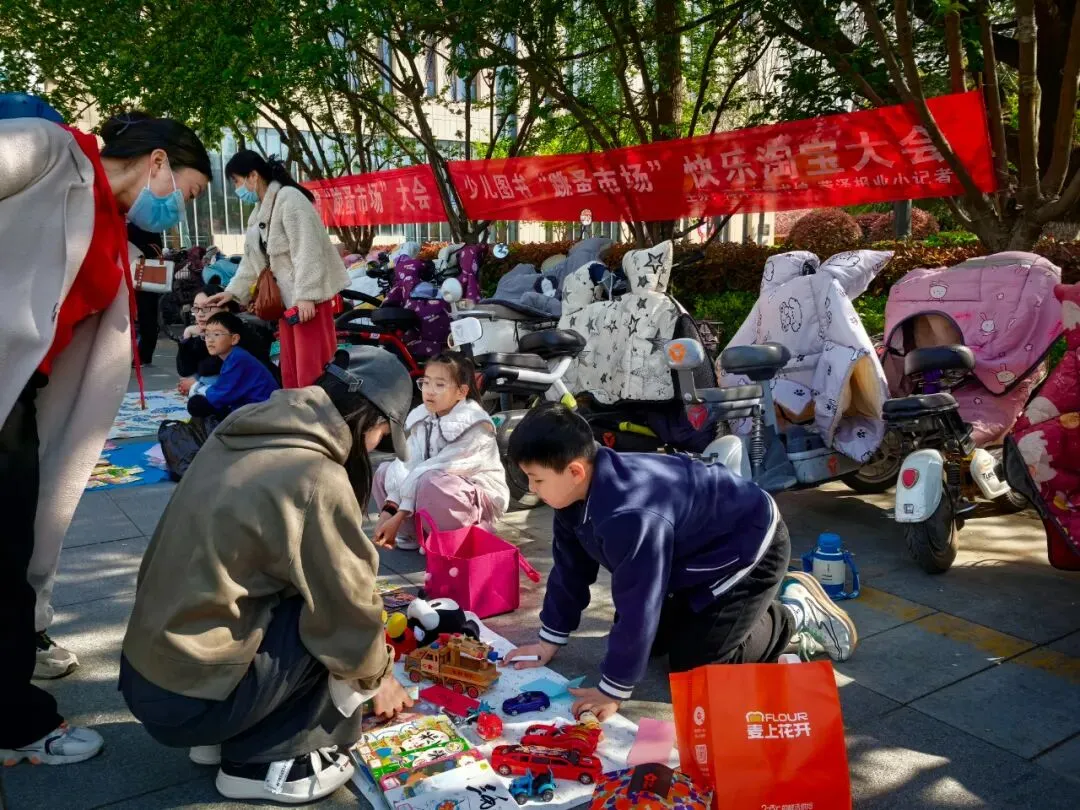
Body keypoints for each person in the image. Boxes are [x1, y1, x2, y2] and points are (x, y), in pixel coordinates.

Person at [0, 111, 211, 765]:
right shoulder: (47, 150)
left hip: (21, 399)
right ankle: (16, 724)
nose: (180, 207)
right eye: (189, 191)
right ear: (156, 162)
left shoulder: (115, 230)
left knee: (19, 540)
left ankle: (21, 661)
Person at [120, 348, 416, 804]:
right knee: (331, 617)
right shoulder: (314, 474)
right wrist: (380, 679)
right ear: (366, 419)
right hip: (193, 695)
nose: (375, 447)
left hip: (152, 673)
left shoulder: (245, 428)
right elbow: (347, 602)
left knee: (295, 591)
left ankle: (223, 733)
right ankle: (270, 762)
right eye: (380, 433)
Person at [501, 404, 858, 721]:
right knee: (652, 643)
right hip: (692, 552)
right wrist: (549, 641)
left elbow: (640, 600)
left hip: (746, 548)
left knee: (696, 667)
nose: (533, 489)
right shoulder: (573, 494)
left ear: (576, 470)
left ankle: (793, 614)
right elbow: (570, 570)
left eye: (537, 479)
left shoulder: (630, 513)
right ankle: (728, 615)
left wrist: (613, 690)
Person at [207, 150, 348, 388]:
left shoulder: (289, 199)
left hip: (305, 303)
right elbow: (253, 261)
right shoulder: (260, 212)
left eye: (237, 181)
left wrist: (307, 296)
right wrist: (232, 292)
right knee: (291, 366)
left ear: (253, 176)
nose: (237, 189)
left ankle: (316, 417)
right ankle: (297, 414)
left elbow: (308, 249)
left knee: (311, 368)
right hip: (285, 302)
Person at [371, 352, 509, 550]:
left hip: (476, 499)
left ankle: (462, 533)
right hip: (431, 486)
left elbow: (431, 469)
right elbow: (408, 464)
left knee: (430, 480)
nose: (430, 391)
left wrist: (398, 515)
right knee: (386, 471)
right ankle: (412, 533)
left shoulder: (476, 425)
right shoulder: (423, 418)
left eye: (440, 385)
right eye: (426, 383)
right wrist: (386, 513)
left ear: (461, 392)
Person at [186, 312, 279, 419]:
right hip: (255, 408)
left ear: (234, 339)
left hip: (261, 412)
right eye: (207, 335)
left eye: (216, 334)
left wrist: (194, 387)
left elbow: (218, 395)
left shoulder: (237, 358)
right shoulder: (235, 356)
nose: (210, 340)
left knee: (196, 404)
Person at [129, 223, 164, 365]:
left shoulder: (139, 225)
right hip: (144, 276)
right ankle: (143, 354)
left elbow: (155, 249)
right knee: (147, 315)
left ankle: (143, 354)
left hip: (142, 275)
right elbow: (157, 248)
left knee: (146, 316)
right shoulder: (149, 225)